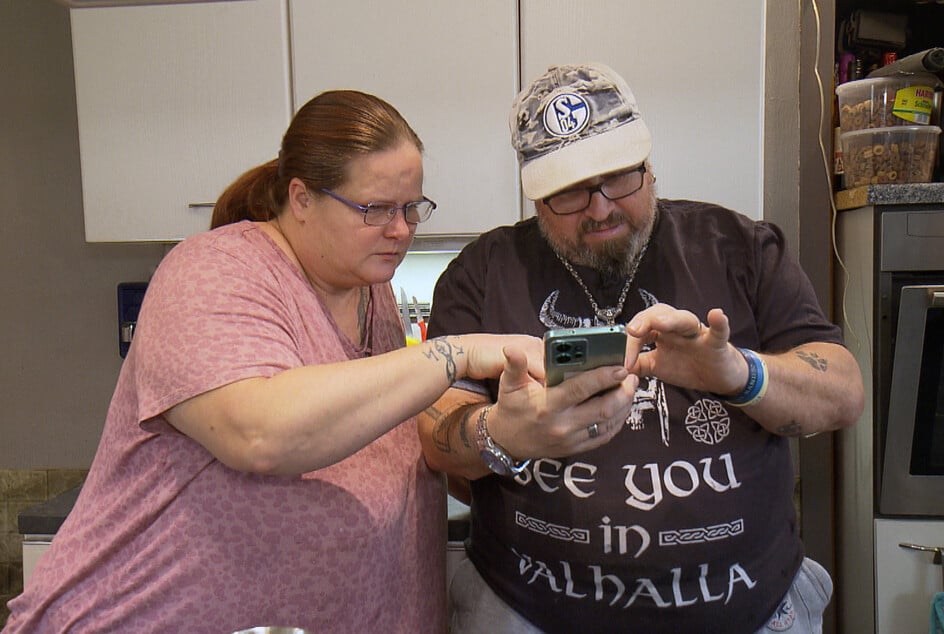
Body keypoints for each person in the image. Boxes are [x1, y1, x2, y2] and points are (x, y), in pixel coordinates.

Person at [3, 89, 544, 634]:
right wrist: (456, 352)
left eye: (411, 208)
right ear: (302, 198)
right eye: (376, 208)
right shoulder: (214, 270)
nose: (401, 228)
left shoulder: (372, 294)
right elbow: (260, 434)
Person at [418, 63, 865, 634]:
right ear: (534, 195)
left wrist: (739, 374)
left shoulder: (741, 249)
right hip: (528, 612)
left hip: (747, 610)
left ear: (648, 165)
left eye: (618, 177)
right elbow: (436, 440)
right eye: (569, 191)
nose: (600, 207)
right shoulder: (482, 273)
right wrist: (505, 433)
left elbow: (843, 393)